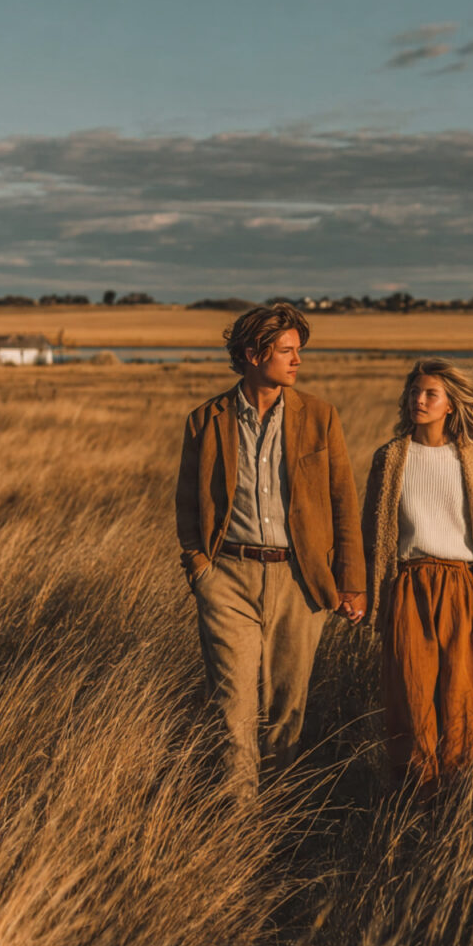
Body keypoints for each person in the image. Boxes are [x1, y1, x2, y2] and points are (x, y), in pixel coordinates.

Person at [176, 303, 366, 801]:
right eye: (286, 351)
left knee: (287, 711)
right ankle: (238, 822)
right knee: (232, 711)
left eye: (298, 350)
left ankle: (278, 823)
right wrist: (201, 571)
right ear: (252, 354)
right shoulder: (206, 420)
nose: (297, 360)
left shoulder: (319, 416)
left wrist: (351, 583)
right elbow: (187, 506)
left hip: (300, 581)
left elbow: (344, 502)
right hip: (227, 580)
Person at [363, 358, 473, 799]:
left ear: (450, 404)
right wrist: (373, 591)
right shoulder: (390, 458)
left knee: (463, 701)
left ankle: (454, 799)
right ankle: (415, 802)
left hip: (464, 587)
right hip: (409, 586)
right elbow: (371, 529)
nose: (420, 400)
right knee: (410, 700)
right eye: (414, 392)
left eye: (431, 394)